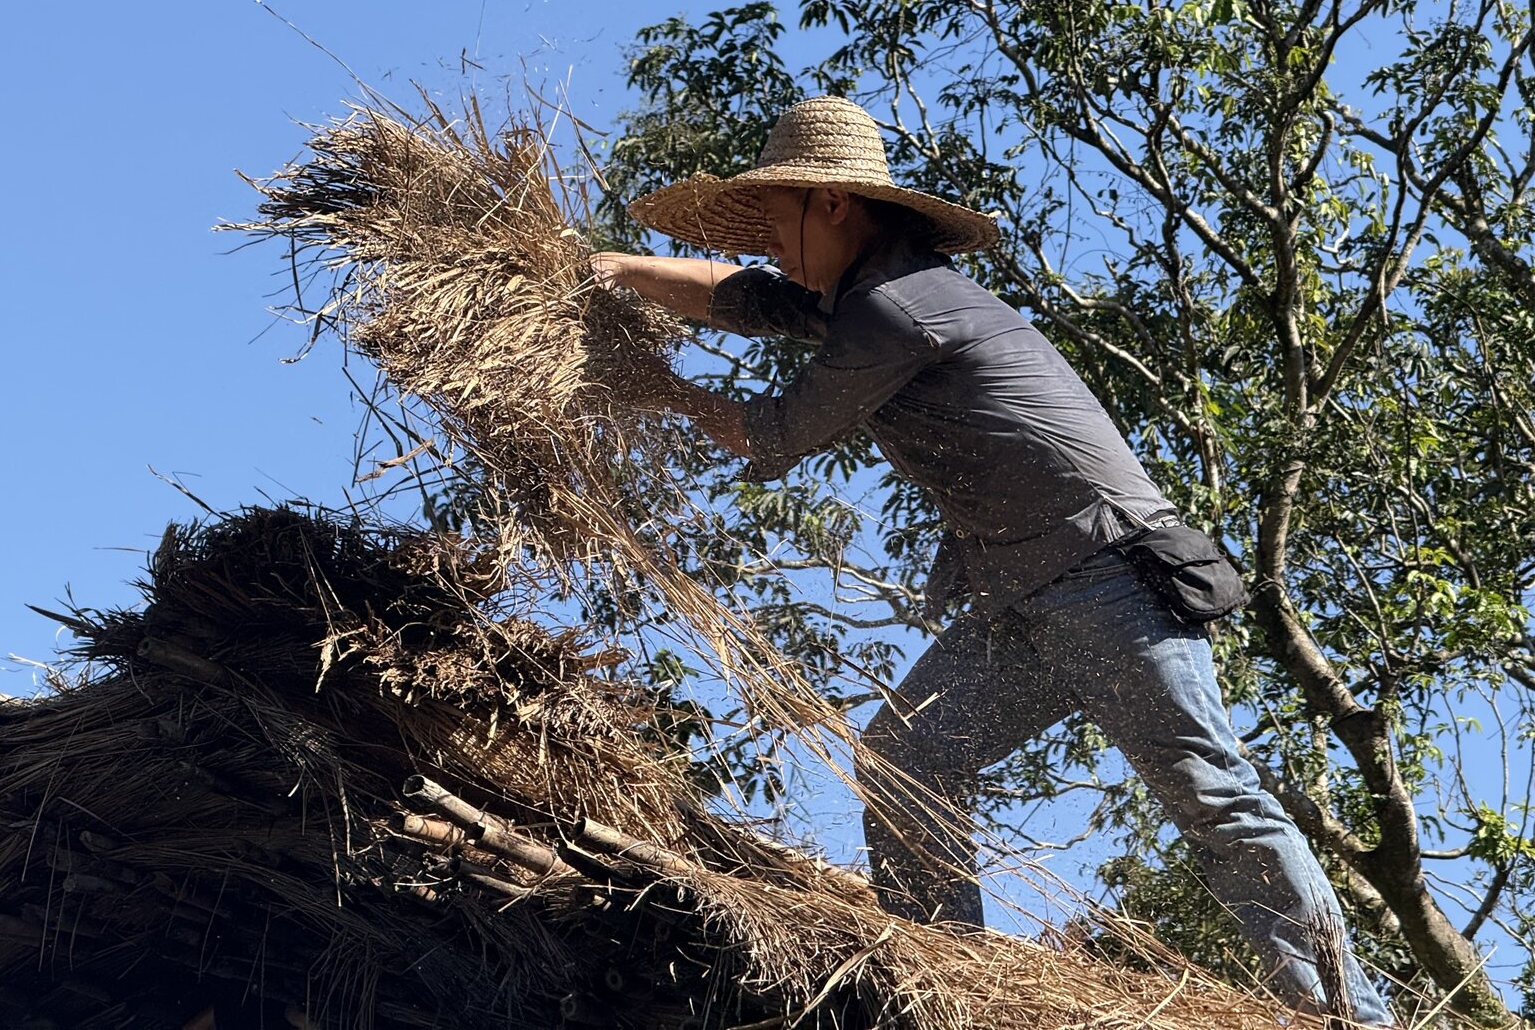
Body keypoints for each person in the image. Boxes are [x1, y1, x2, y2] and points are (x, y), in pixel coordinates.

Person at [594, 94, 1390, 1025]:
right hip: (1024, 594)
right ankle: (954, 991)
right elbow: (744, 298)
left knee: (1213, 797)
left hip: (1107, 581)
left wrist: (648, 384)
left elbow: (770, 432)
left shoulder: (901, 308)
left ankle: (1352, 1015)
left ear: (833, 204)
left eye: (775, 218)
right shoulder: (873, 298)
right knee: (908, 757)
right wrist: (608, 270)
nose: (769, 242)